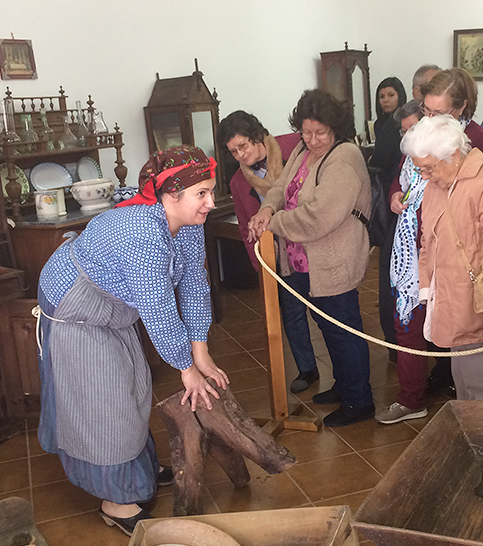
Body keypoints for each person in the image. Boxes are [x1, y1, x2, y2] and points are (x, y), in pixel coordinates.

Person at [36, 145, 230, 535]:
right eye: (202, 194)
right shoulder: (141, 233)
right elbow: (159, 309)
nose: (211, 202)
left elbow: (195, 283)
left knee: (135, 386)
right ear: (171, 194)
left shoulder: (188, 222)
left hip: (111, 306)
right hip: (76, 307)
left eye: (210, 191)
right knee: (106, 400)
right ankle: (115, 500)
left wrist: (200, 349)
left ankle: (136, 469)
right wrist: (186, 368)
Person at [247, 89, 374, 427]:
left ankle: (359, 401)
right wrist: (267, 208)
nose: (313, 140)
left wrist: (273, 222)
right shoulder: (302, 151)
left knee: (344, 329)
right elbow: (279, 187)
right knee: (327, 326)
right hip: (304, 258)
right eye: (306, 132)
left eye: (321, 133)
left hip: (334, 257)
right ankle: (344, 386)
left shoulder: (344, 156)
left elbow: (320, 216)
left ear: (336, 129)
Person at [402, 115, 483, 401]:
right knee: (464, 388)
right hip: (450, 302)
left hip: (478, 306)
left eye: (428, 168)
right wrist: (427, 291)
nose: (424, 176)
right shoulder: (437, 184)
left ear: (453, 155)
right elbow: (427, 243)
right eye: (419, 169)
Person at [216, 112, 316, 393]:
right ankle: (307, 368)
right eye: (233, 151)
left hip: (311, 243)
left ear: (257, 136)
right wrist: (261, 266)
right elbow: (245, 228)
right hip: (278, 254)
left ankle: (343, 371)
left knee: (325, 310)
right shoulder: (238, 182)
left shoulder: (292, 147)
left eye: (243, 146)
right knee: (292, 312)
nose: (240, 155)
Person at [375, 101, 451, 423]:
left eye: (413, 129)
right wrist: (395, 193)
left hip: (439, 260)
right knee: (407, 327)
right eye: (403, 131)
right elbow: (399, 181)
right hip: (408, 260)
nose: (407, 137)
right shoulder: (411, 159)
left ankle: (455, 389)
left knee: (448, 328)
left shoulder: (444, 162)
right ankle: (411, 399)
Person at [370, 76, 408, 364]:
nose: (385, 100)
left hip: (395, 192)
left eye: (391, 95)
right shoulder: (381, 124)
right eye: (381, 96)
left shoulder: (396, 125)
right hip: (387, 190)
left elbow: (383, 159)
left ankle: (400, 341)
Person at [421, 68, 483, 167]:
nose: (430, 119)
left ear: (461, 107)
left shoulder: (476, 140)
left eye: (439, 113)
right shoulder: (421, 130)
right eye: (427, 109)